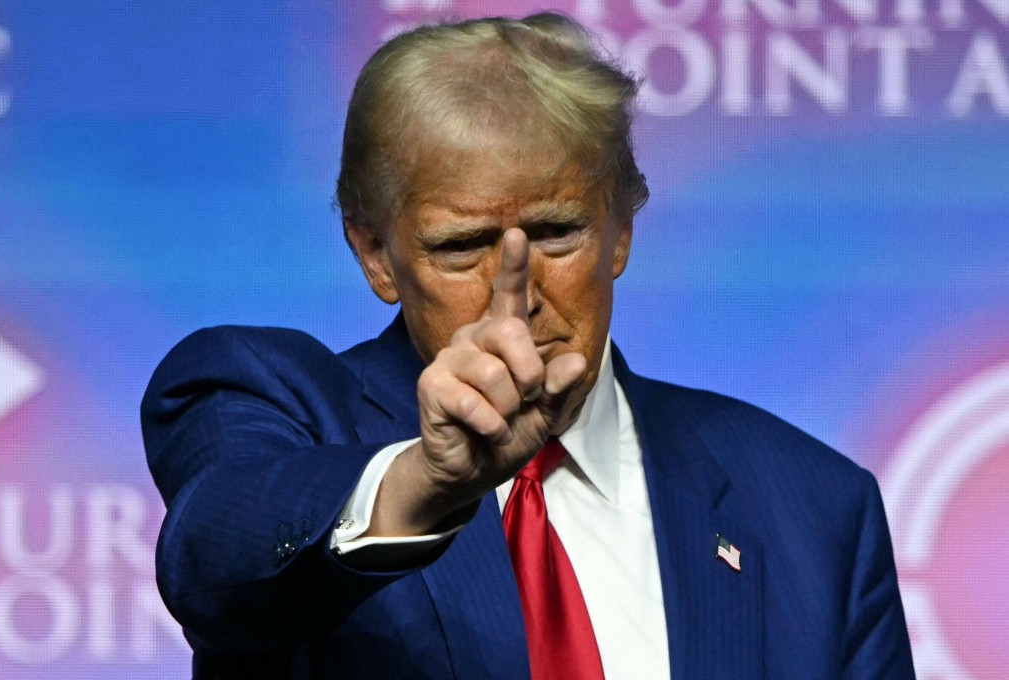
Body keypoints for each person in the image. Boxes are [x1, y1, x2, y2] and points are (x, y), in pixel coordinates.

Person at [141, 12, 915, 680]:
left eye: (557, 233)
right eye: (462, 247)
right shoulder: (268, 399)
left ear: (622, 229)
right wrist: (424, 482)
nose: (520, 290)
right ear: (376, 253)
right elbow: (215, 565)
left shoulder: (812, 510)